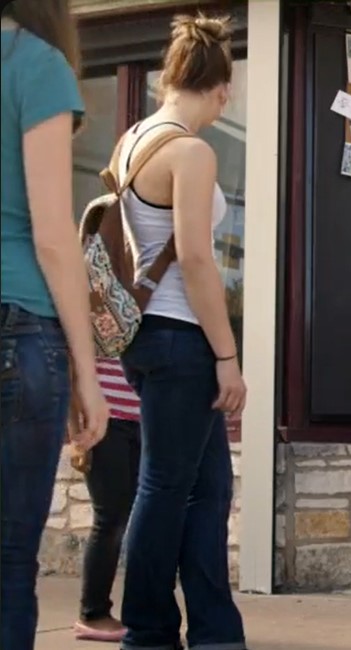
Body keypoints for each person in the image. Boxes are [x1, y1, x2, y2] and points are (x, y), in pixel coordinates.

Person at [115, 13, 249, 650]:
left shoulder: (132, 138)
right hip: (180, 336)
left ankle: (216, 629)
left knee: (208, 489)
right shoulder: (191, 151)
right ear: (220, 87)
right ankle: (147, 629)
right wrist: (228, 355)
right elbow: (196, 259)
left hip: (147, 338)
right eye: (229, 92)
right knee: (165, 488)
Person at [1, 1, 110, 648]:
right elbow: (51, 237)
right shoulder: (35, 66)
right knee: (11, 561)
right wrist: (87, 373)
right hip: (19, 330)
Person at [72, 357, 143, 642]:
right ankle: (93, 613)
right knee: (110, 517)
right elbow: (74, 363)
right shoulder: (92, 311)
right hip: (105, 420)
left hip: (144, 416)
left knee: (140, 516)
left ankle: (142, 611)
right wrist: (75, 424)